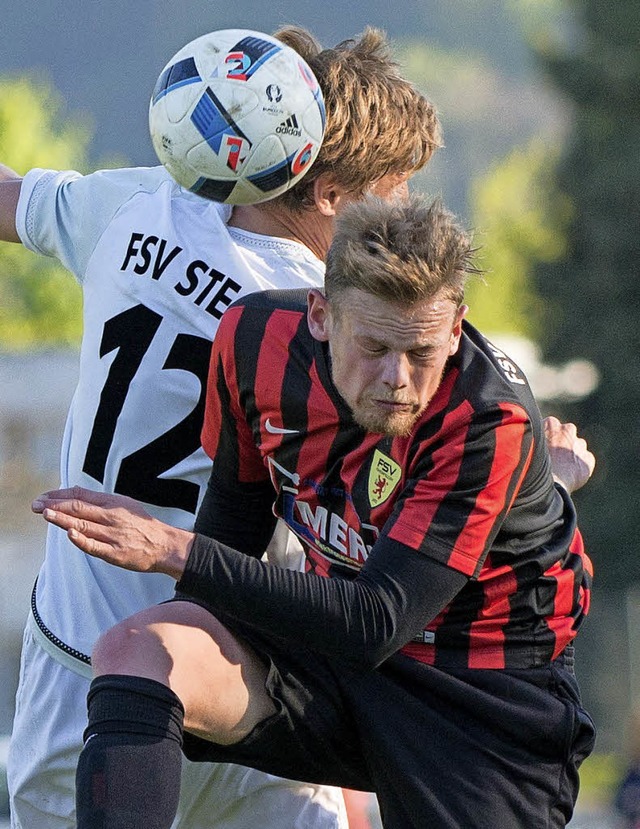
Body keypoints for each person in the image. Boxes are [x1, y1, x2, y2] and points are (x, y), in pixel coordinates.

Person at [33, 193, 597, 829]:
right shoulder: (252, 337)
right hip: (329, 657)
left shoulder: (487, 419)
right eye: (376, 346)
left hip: (478, 698)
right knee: (140, 649)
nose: (397, 378)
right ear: (321, 314)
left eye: (421, 353)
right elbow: (236, 522)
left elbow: (377, 622)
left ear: (457, 323)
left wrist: (171, 549)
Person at [0, 25, 443, 829]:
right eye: (399, 185)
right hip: (235, 686)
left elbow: (9, 199)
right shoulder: (335, 330)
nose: (407, 210)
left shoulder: (140, 206)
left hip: (81, 686)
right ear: (334, 194)